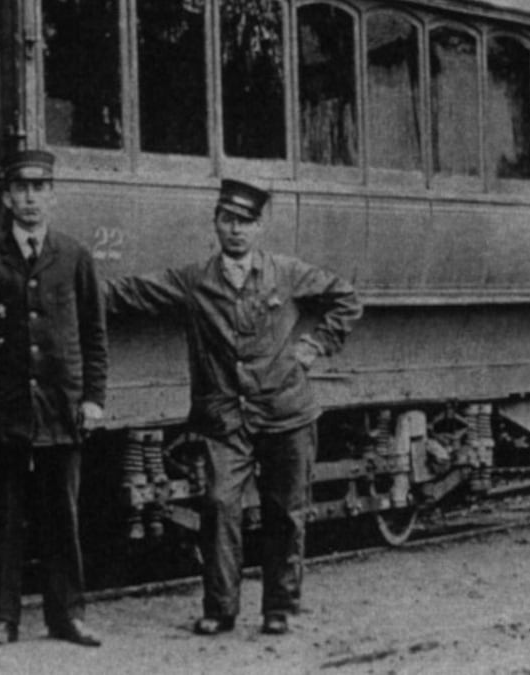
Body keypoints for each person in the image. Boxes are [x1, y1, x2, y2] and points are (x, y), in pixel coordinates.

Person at [104, 178, 360, 636]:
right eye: (228, 220)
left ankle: (279, 607)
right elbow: (128, 294)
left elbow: (346, 298)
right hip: (224, 420)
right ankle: (220, 609)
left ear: (260, 228)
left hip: (286, 414)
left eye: (246, 222)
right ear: (215, 224)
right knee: (220, 506)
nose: (236, 230)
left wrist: (315, 345)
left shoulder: (287, 273)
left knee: (286, 511)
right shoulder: (193, 281)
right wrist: (68, 287)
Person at [0, 149, 108, 647]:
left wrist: (93, 399)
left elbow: (93, 335)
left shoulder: (75, 257)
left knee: (63, 517)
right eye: (22, 190)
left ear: (53, 197)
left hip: (61, 407)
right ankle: (2, 619)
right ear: (6, 198)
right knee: (6, 518)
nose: (31, 200)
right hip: (5, 408)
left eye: (40, 190)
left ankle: (67, 617)